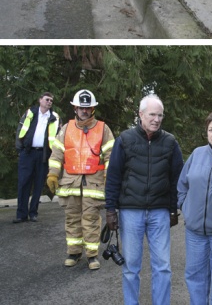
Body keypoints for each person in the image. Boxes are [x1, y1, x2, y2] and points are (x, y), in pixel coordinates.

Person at [105, 93, 184, 305]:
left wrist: (173, 208)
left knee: (163, 267)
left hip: (159, 212)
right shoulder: (125, 140)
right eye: (152, 114)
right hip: (131, 212)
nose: (156, 119)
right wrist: (110, 210)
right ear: (140, 114)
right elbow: (113, 176)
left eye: (160, 115)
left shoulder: (170, 142)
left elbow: (177, 178)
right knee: (131, 267)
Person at [47, 89, 114, 270]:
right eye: (81, 108)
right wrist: (53, 174)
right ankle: (74, 253)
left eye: (88, 108)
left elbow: (110, 156)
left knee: (91, 219)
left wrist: (109, 176)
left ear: (92, 109)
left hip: (94, 183)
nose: (84, 111)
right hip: (70, 184)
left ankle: (92, 256)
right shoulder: (66, 129)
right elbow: (56, 154)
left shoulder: (103, 129)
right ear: (75, 108)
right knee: (72, 219)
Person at [177, 110, 212, 305]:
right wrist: (186, 207)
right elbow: (182, 184)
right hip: (195, 232)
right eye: (211, 129)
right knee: (194, 275)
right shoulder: (197, 153)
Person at [13, 92, 60, 223]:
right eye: (47, 99)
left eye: (51, 101)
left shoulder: (54, 117)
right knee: (23, 183)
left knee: (39, 184)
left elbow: (58, 135)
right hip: (27, 152)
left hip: (44, 154)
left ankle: (33, 213)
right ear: (40, 100)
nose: (49, 102)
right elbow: (20, 129)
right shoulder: (30, 113)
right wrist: (20, 149)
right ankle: (21, 214)